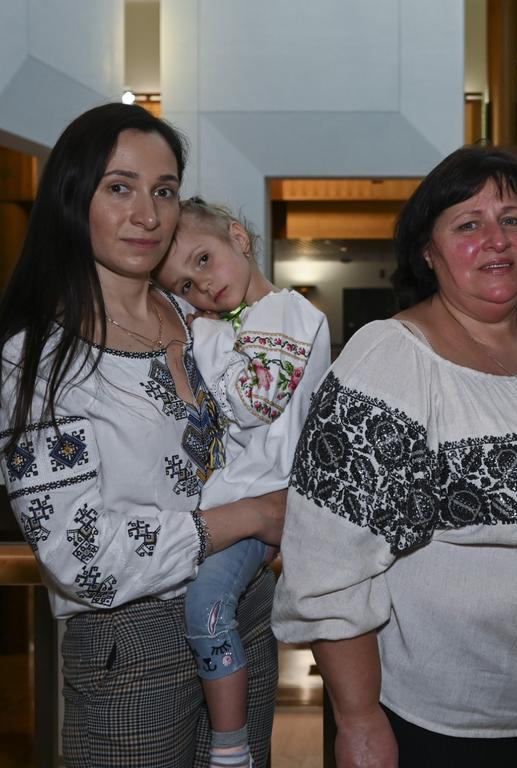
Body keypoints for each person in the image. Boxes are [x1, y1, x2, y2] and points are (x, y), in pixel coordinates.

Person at [272, 145, 517, 767]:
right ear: (428, 250)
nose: (495, 240)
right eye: (468, 225)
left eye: (512, 219)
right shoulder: (389, 360)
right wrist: (359, 721)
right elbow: (326, 564)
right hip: (432, 719)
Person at [0, 103, 284, 766]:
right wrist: (255, 515)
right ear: (74, 197)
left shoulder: (197, 313)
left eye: (163, 191)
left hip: (247, 609)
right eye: (120, 188)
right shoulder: (37, 361)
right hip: (132, 643)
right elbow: (84, 558)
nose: (148, 215)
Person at [153, 197, 330, 765]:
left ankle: (230, 746)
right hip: (241, 495)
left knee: (206, 603)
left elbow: (253, 400)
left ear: (239, 237)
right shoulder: (239, 324)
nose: (200, 287)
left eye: (204, 260)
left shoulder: (286, 311)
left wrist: (195, 341)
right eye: (184, 284)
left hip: (263, 498)